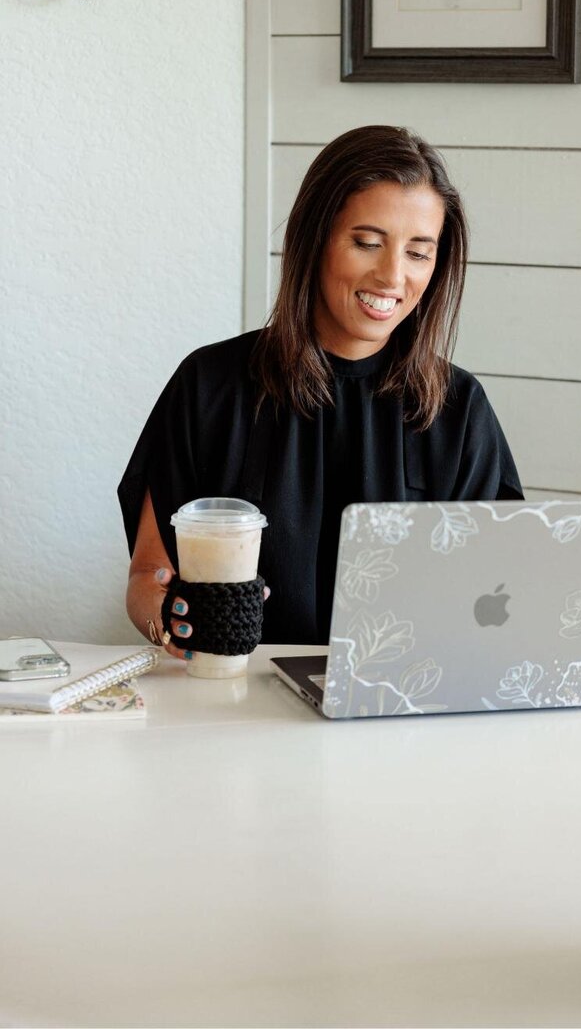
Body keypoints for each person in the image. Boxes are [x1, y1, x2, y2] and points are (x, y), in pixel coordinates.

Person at [119, 125, 523, 659]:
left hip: (401, 712)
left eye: (418, 253)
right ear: (316, 240)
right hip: (238, 703)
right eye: (367, 243)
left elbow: (498, 598)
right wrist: (174, 619)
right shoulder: (209, 386)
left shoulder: (458, 408)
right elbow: (149, 578)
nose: (391, 276)